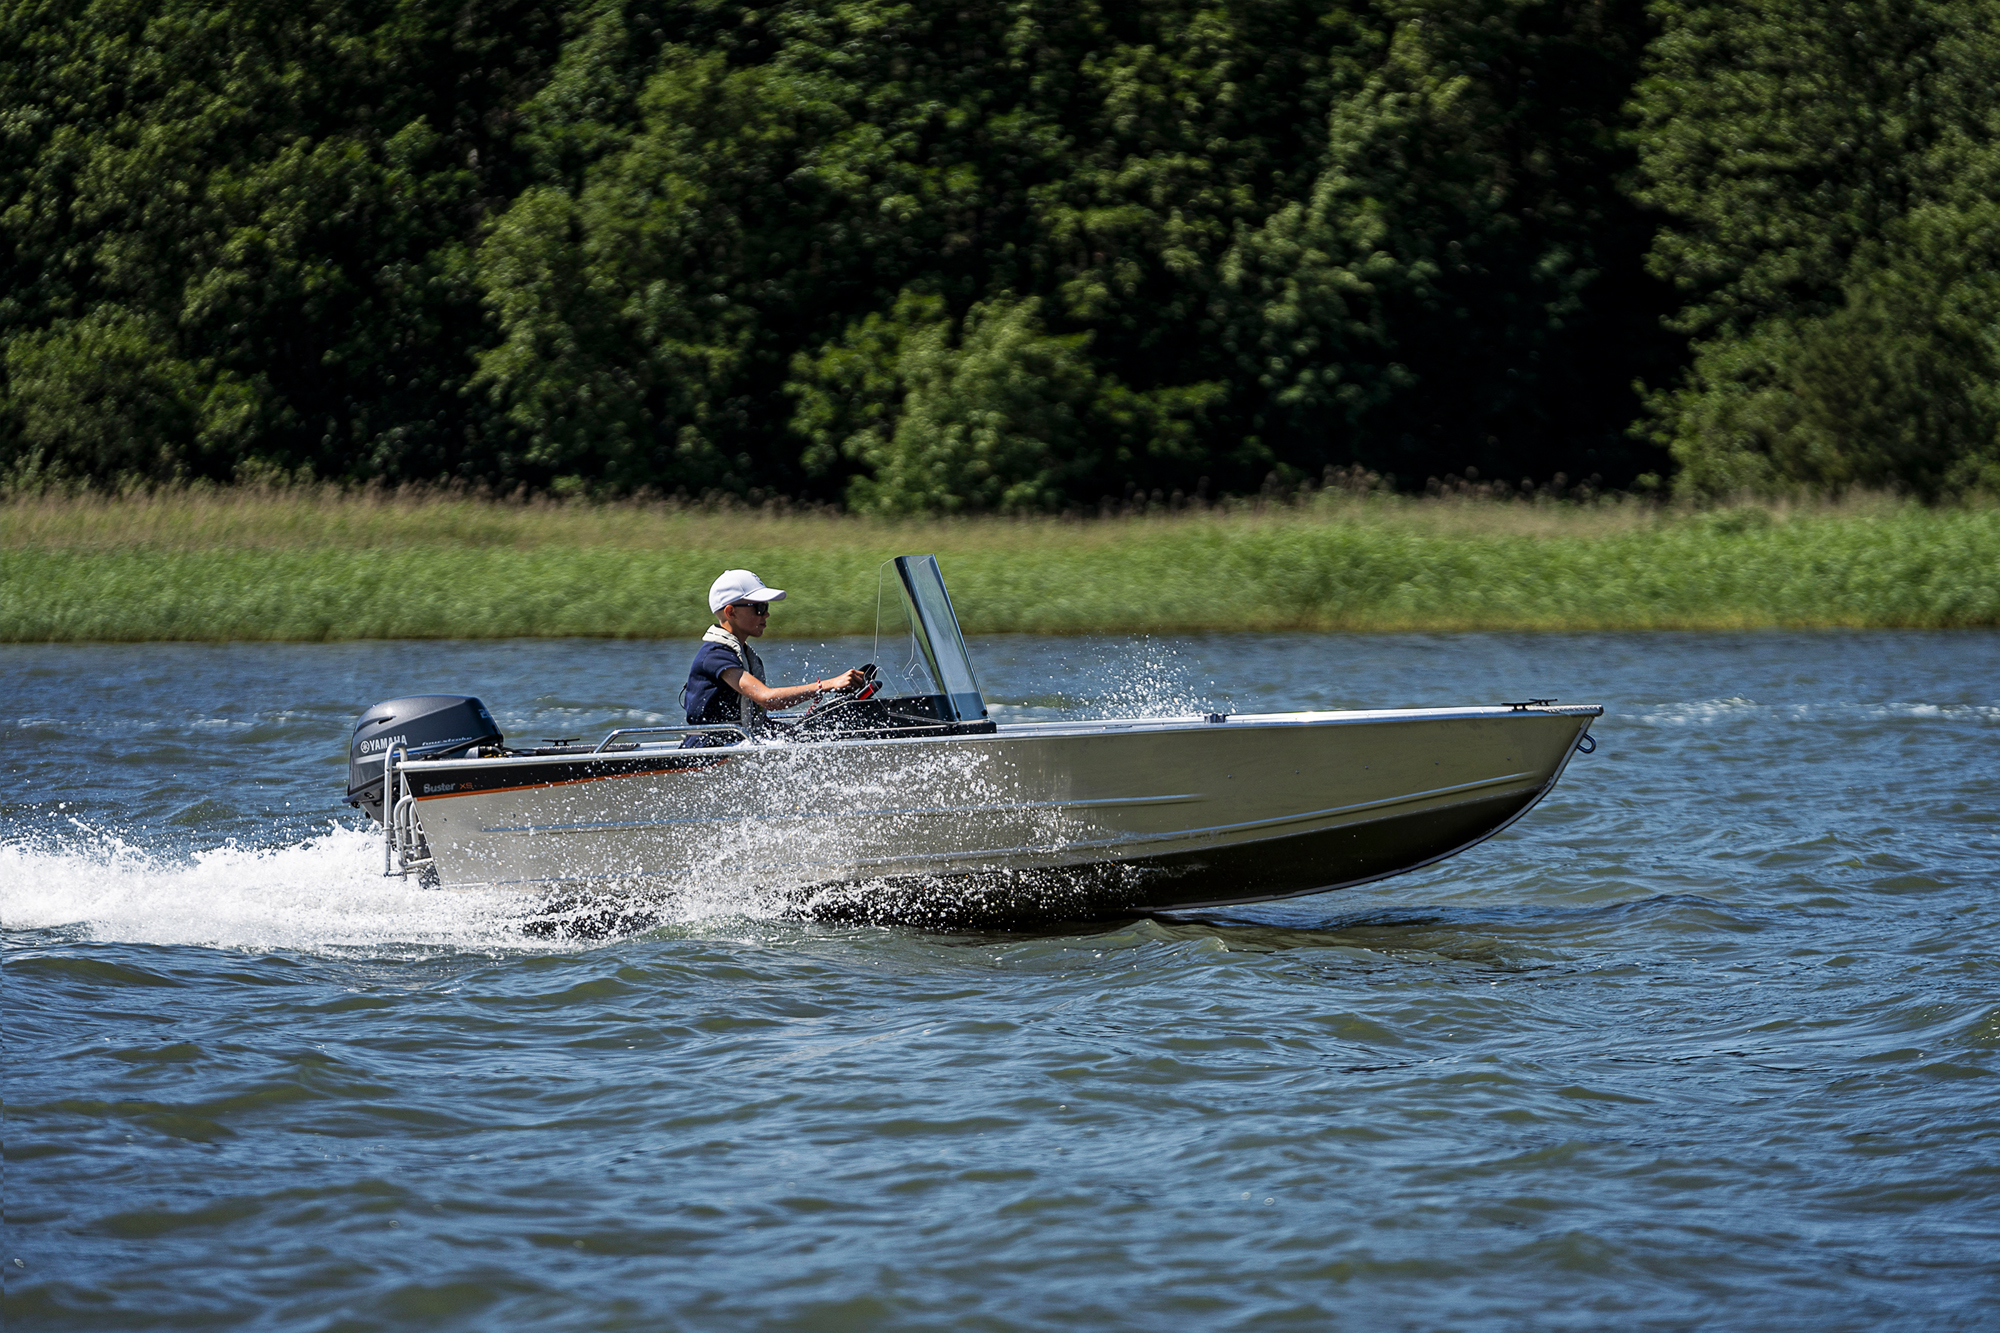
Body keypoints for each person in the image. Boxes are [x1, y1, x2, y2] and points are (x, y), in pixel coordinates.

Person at [682, 569, 865, 742]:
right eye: (759, 608)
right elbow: (768, 699)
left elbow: (756, 723)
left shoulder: (743, 654)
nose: (767, 614)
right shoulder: (715, 655)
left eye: (766, 607)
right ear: (731, 612)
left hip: (735, 744)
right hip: (707, 753)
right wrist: (827, 685)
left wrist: (802, 733)